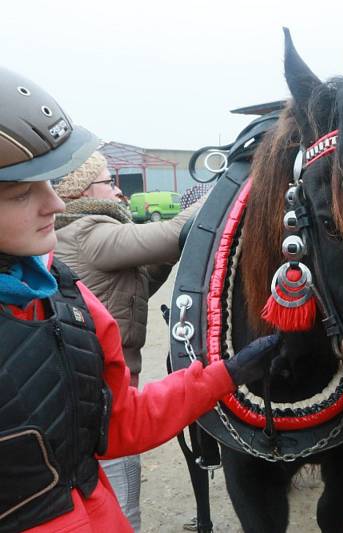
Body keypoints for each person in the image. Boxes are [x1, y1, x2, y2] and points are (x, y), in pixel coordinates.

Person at [0, 66, 278, 533]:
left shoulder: (66, 297)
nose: (56, 204)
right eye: (22, 193)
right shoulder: (89, 241)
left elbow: (119, 422)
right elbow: (167, 238)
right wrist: (218, 199)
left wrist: (224, 375)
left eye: (51, 183)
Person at [53, 151, 206, 530]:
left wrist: (166, 256)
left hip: (95, 394)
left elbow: (134, 288)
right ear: (83, 190)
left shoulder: (81, 233)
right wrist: (226, 186)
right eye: (109, 181)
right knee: (122, 511)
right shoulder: (87, 231)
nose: (119, 191)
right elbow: (172, 235)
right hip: (102, 399)